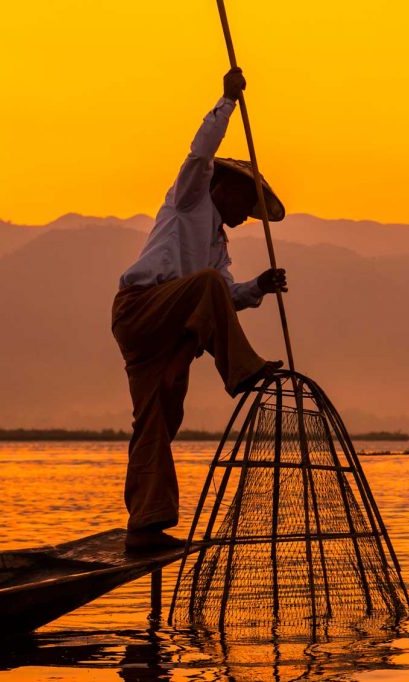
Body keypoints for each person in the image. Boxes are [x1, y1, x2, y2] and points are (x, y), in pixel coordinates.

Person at [111, 67, 288, 551]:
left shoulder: (217, 248)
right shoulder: (190, 201)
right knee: (206, 285)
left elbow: (225, 297)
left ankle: (145, 523)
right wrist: (227, 99)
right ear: (224, 188)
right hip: (142, 310)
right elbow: (199, 152)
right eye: (245, 205)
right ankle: (242, 372)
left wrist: (260, 287)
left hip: (170, 334)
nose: (245, 217)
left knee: (158, 421)